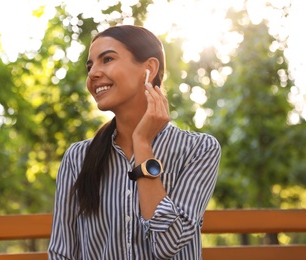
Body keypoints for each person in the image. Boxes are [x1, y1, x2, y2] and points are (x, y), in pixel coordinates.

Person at [48, 25, 221, 260]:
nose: (93, 74)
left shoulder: (199, 150)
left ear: (149, 69)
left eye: (107, 59)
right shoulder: (77, 157)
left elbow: (166, 247)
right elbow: (62, 252)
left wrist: (142, 144)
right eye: (90, 66)